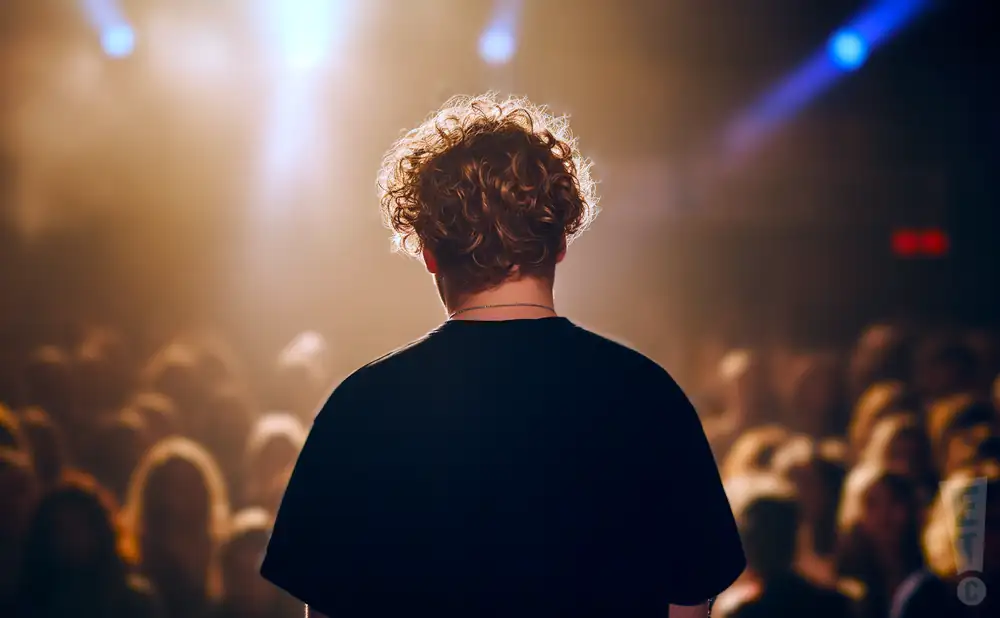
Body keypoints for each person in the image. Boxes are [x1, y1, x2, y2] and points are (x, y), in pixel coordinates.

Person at [261, 93, 745, 617]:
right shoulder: (650, 400)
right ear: (560, 243)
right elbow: (689, 605)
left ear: (429, 253)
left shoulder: (360, 409)